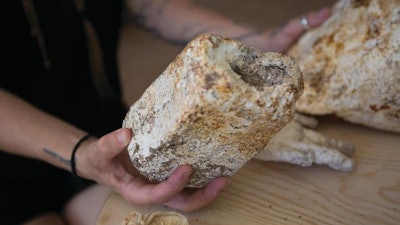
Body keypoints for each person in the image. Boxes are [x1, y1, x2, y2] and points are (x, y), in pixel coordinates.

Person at [0, 0, 331, 224]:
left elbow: (148, 4)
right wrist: (79, 152)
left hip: (104, 135)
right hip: (12, 168)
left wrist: (254, 43)